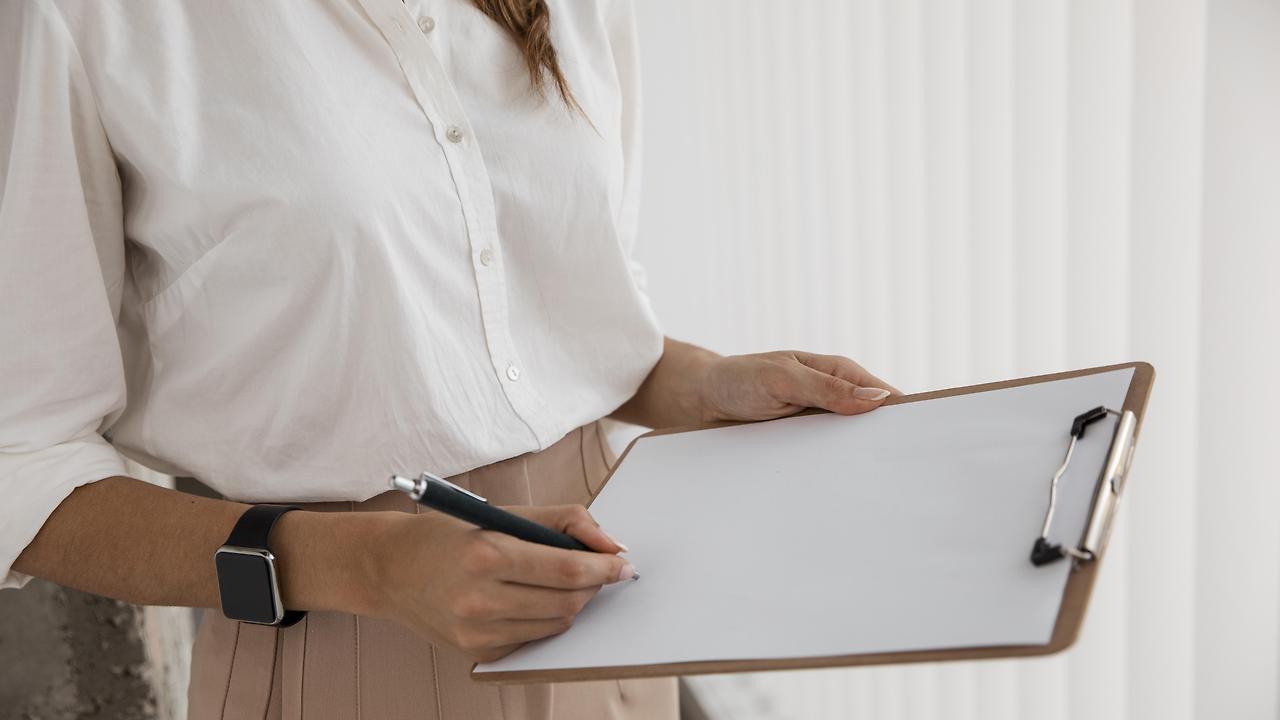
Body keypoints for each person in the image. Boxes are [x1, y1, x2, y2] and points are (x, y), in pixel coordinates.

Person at [0, 1, 896, 718]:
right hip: (344, 646)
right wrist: (369, 565)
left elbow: (551, 325)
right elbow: (22, 470)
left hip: (618, 622)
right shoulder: (87, 18)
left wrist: (699, 385)